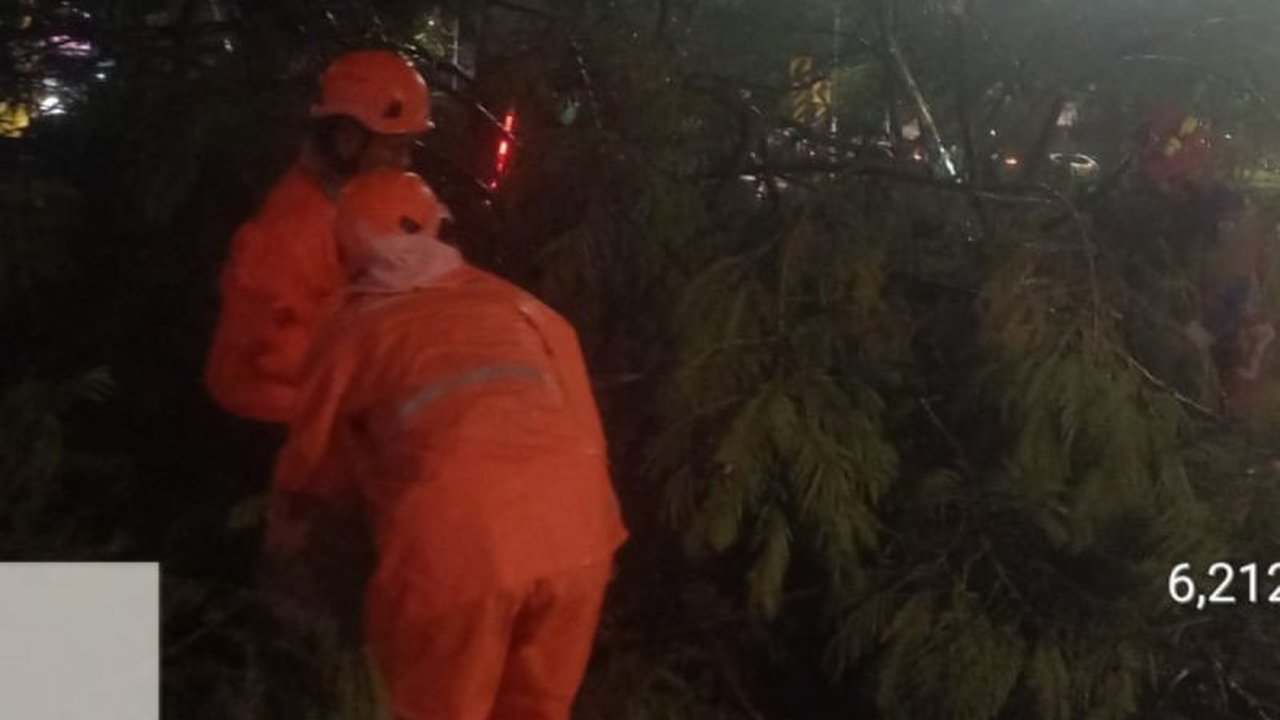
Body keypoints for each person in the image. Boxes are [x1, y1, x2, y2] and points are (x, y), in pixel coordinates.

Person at [267, 169, 628, 720]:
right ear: (439, 229)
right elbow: (583, 425)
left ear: (346, 249)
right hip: (579, 537)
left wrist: (286, 548)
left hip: (454, 554)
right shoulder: (518, 305)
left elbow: (309, 465)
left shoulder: (350, 328)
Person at [205, 49, 434, 425]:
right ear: (348, 139)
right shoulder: (297, 229)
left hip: (302, 411)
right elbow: (280, 357)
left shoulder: (346, 208)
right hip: (270, 419)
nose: (404, 162)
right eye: (394, 147)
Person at [1134, 110, 1275, 413]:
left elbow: (1236, 291)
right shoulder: (1177, 213)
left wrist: (1192, 337)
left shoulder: (1230, 217)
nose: (1164, 190)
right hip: (1200, 345)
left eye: (1174, 180)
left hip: (1234, 354)